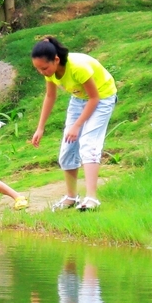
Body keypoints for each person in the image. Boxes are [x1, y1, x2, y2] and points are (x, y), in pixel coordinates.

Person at [30, 36, 117, 211]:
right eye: (38, 69)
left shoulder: (77, 68)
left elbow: (94, 98)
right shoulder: (50, 72)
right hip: (79, 99)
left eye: (44, 68)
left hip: (102, 97)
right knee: (68, 148)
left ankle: (92, 199)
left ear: (56, 60)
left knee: (88, 144)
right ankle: (71, 197)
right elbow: (50, 96)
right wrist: (40, 127)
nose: (42, 73)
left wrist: (77, 126)